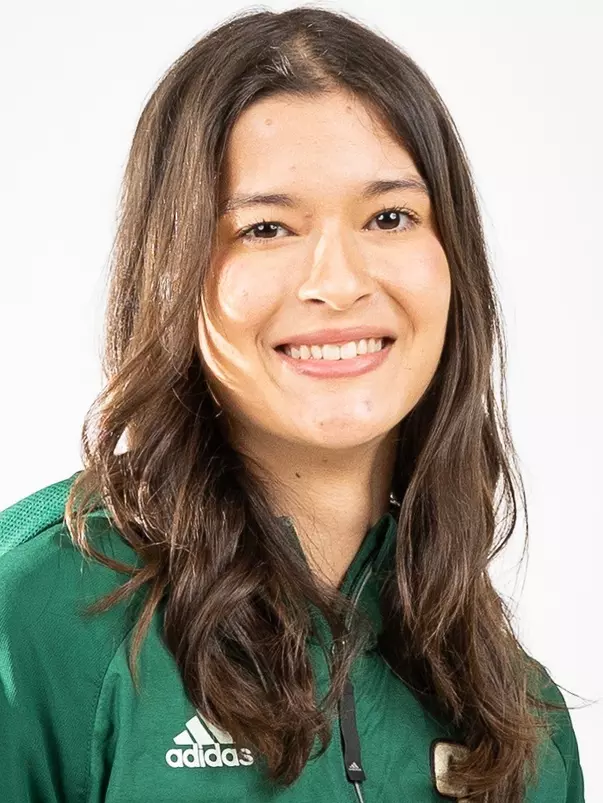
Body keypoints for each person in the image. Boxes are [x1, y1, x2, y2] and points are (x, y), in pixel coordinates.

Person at [0, 7, 585, 803]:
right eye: (266, 228)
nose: (338, 282)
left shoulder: (516, 714)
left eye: (389, 217)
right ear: (170, 270)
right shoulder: (36, 618)